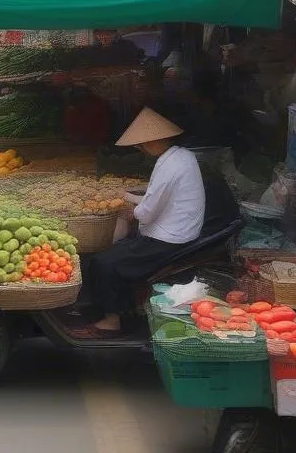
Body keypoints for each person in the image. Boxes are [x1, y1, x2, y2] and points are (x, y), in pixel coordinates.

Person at [83, 108, 205, 336]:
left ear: (152, 142)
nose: (141, 149)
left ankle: (112, 321)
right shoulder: (182, 156)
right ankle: (125, 307)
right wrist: (126, 196)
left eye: (142, 145)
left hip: (168, 239)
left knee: (103, 262)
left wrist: (129, 208)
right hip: (179, 231)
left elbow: (147, 213)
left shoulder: (169, 166)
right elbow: (156, 199)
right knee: (118, 252)